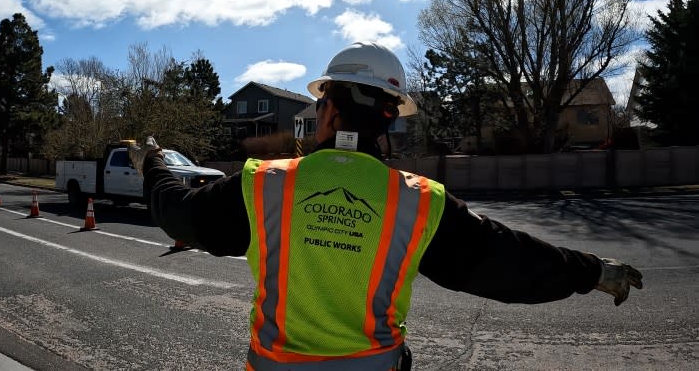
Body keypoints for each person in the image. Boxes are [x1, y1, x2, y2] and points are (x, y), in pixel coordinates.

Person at [130, 41, 643, 370]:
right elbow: (510, 263)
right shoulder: (418, 202)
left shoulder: (263, 184)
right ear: (390, 121)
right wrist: (592, 270)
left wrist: (151, 162)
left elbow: (177, 211)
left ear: (328, 111)